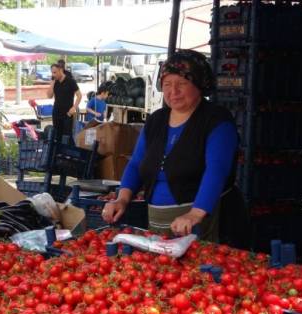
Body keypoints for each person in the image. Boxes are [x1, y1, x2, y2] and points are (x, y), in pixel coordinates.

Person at [101, 50, 248, 245]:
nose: (173, 91)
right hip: (160, 224)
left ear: (199, 84)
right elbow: (136, 164)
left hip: (209, 222)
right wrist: (122, 199)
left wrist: (196, 213)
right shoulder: (157, 120)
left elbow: (217, 170)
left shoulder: (216, 120)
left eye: (182, 84)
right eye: (167, 84)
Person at [47, 63, 81, 142]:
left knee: (67, 136)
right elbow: (49, 96)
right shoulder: (55, 82)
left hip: (67, 113)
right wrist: (52, 83)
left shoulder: (70, 81)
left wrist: (74, 107)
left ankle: (68, 153)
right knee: (57, 135)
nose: (53, 75)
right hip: (56, 112)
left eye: (55, 72)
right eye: (52, 72)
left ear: (60, 70)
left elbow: (79, 95)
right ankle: (57, 153)